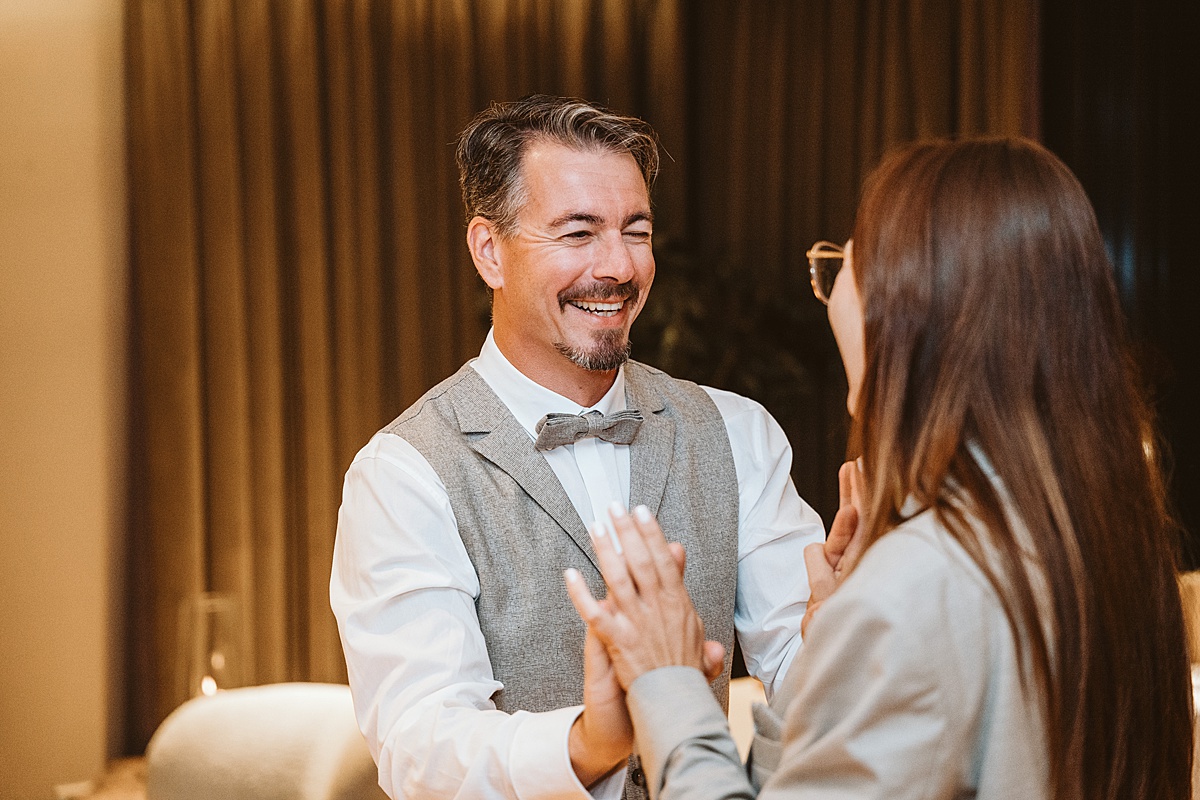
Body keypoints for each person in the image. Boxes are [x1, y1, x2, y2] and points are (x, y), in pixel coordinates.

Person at [567, 136, 1195, 799]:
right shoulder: (1114, 538)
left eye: (845, 265)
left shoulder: (916, 582)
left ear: (905, 308)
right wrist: (834, 653)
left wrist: (668, 683)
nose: (832, 294)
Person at [328, 94, 828, 800]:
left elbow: (809, 673)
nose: (618, 266)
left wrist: (844, 636)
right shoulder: (404, 473)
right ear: (490, 251)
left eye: (636, 231)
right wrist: (590, 742)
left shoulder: (739, 432)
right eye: (578, 233)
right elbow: (420, 747)